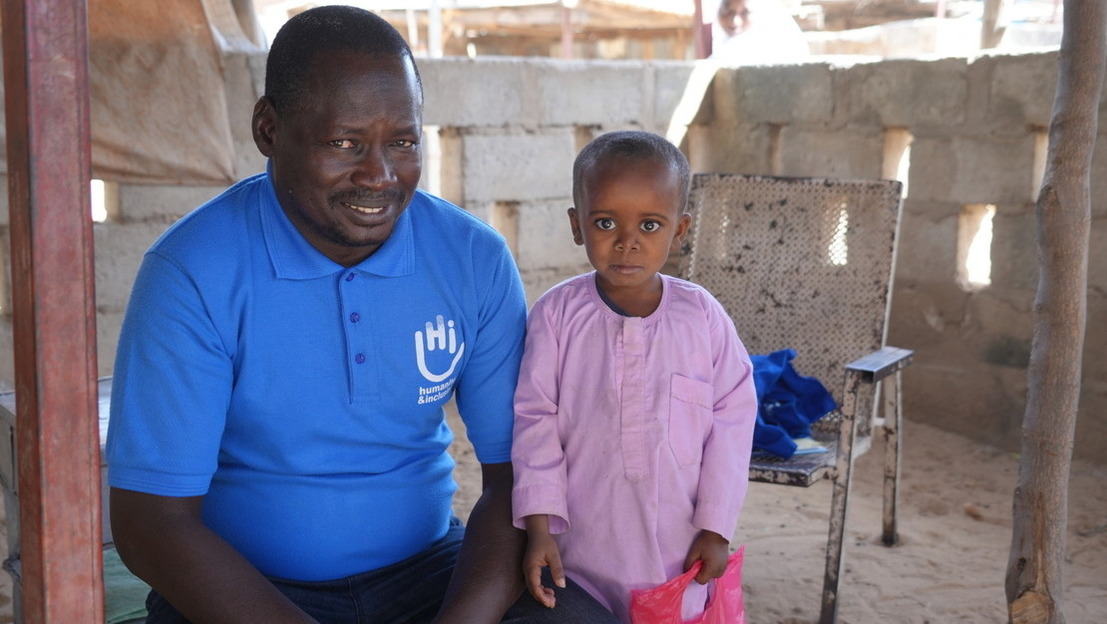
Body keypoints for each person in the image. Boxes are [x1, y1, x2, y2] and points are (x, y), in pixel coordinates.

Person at [106, 6, 617, 623]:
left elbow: (516, 478)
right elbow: (151, 523)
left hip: (429, 575)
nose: (379, 175)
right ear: (269, 129)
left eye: (402, 141)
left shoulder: (472, 259)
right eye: (344, 143)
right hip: (247, 590)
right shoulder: (192, 271)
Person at [510, 131, 758, 623]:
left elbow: (733, 420)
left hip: (678, 546)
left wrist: (716, 526)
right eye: (605, 222)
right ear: (577, 225)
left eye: (650, 224)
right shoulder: (557, 314)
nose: (627, 241)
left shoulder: (701, 317)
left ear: (680, 229)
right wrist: (539, 527)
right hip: (581, 550)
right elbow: (534, 420)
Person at [711, 0, 809, 63]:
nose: (735, 22)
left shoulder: (777, 45)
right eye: (728, 12)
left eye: (745, 13)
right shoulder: (721, 44)